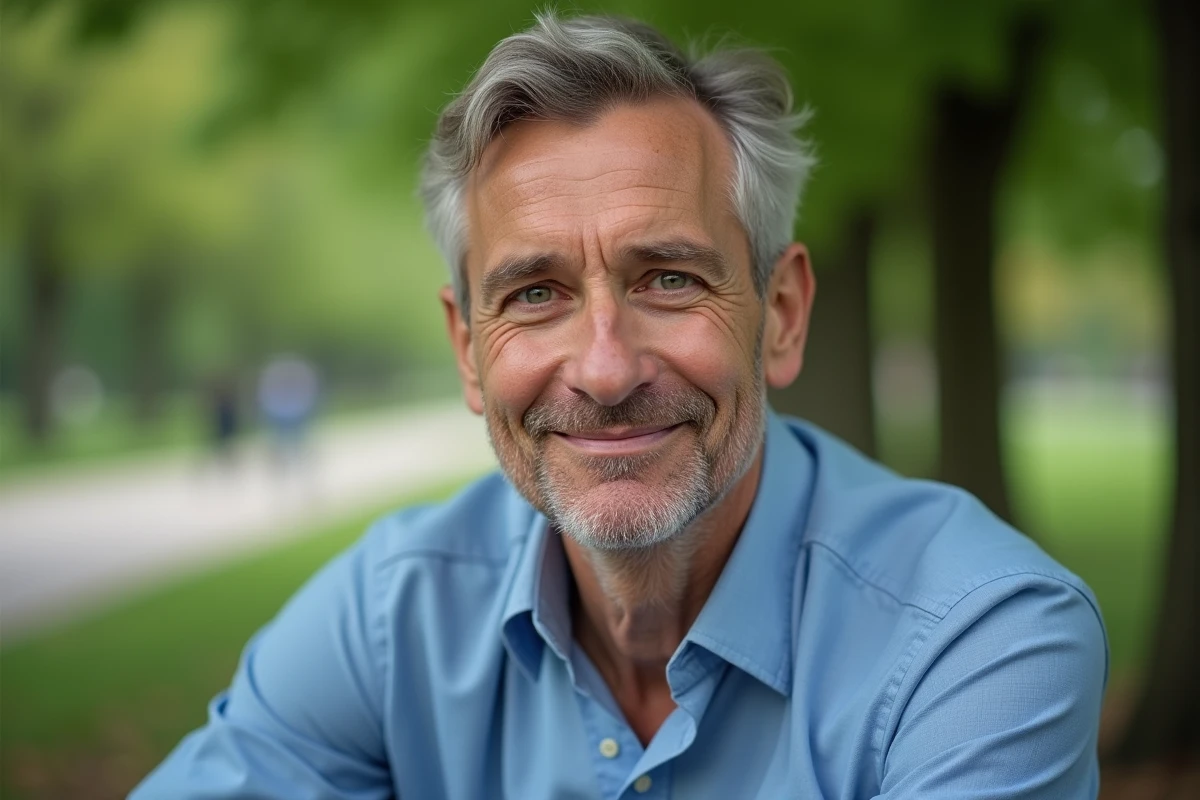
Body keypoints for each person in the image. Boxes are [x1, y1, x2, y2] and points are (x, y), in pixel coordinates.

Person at [131, 13, 1106, 799]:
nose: (603, 368)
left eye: (670, 278)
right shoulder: (391, 618)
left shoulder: (979, 641)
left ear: (779, 312)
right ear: (469, 349)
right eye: (535, 294)